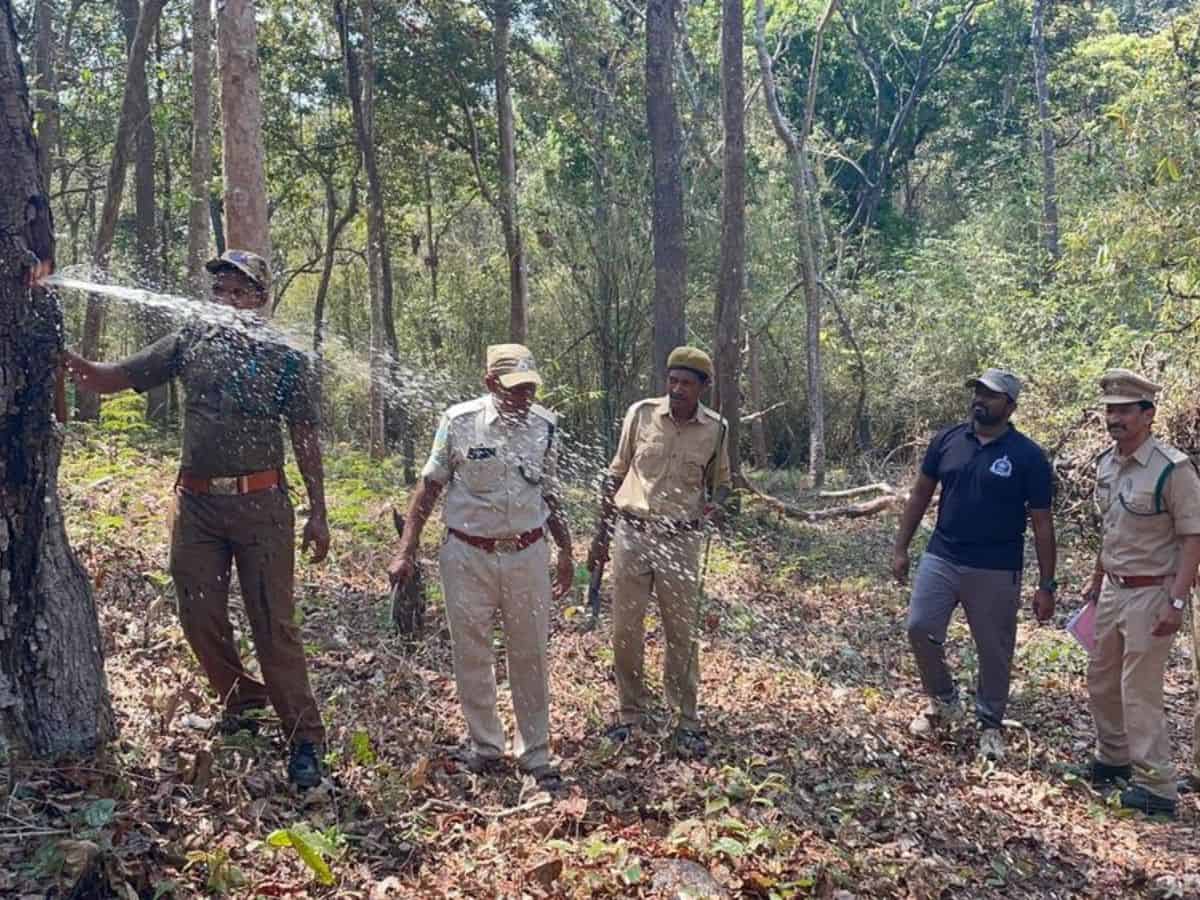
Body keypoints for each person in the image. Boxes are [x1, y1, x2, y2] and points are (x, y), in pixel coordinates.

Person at [64, 250, 330, 789]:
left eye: (239, 291)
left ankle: (304, 738)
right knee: (197, 615)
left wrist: (320, 511)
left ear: (261, 298)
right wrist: (61, 357)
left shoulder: (286, 359)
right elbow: (111, 379)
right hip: (197, 507)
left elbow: (304, 435)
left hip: (262, 507)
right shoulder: (191, 342)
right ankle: (243, 702)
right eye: (220, 291)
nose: (227, 300)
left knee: (272, 625)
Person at [388, 344, 574, 790]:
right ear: (491, 383)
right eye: (514, 389)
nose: (523, 398)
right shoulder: (458, 423)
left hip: (527, 554)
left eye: (529, 389)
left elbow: (550, 494)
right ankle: (486, 746)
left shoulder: (546, 427)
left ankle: (535, 753)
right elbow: (428, 488)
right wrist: (405, 549)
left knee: (529, 651)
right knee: (472, 650)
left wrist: (566, 552)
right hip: (467, 555)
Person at [892, 368, 1056, 762]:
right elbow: (919, 495)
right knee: (920, 626)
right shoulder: (948, 440)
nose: (979, 400)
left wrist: (1047, 584)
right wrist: (901, 547)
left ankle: (990, 724)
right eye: (978, 392)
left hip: (997, 566)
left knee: (994, 650)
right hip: (943, 554)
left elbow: (1042, 522)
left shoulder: (1028, 456)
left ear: (1010, 406)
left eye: (991, 395)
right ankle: (944, 701)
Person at [587, 346, 731, 758]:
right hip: (632, 535)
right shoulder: (641, 414)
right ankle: (630, 714)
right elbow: (615, 475)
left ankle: (685, 720)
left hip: (681, 539)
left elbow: (720, 481)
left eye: (687, 382)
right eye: (673, 380)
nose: (677, 389)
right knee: (625, 629)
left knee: (681, 633)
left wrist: (716, 504)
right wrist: (600, 537)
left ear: (704, 386)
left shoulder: (716, 429)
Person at [1077, 369, 1200, 818]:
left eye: (1125, 410)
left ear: (1148, 415)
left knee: (1139, 689)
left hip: (1153, 593)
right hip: (1113, 589)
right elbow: (1111, 530)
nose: (1115, 418)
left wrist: (1177, 600)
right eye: (1110, 410)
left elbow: (1192, 538)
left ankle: (1158, 786)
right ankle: (1114, 759)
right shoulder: (1107, 464)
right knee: (1102, 677)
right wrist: (1095, 582)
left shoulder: (1173, 469)